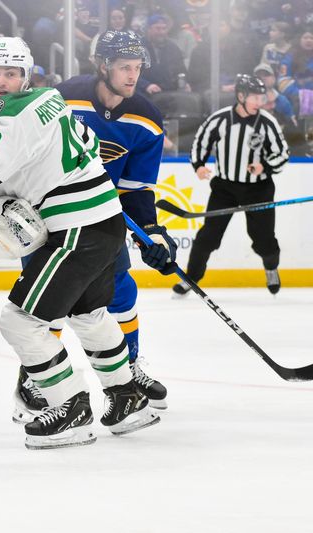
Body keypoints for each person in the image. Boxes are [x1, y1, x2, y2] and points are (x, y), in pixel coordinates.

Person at [0, 36, 163, 449]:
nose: (1, 82)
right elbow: (84, 147)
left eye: (11, 73)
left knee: (19, 322)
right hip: (105, 222)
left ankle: (69, 407)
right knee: (89, 314)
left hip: (75, 230)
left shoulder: (8, 117)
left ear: (26, 75)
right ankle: (127, 399)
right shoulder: (49, 99)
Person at [48, 30, 174, 411]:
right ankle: (38, 380)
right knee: (48, 297)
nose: (132, 76)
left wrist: (150, 233)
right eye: (124, 67)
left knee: (121, 288)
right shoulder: (61, 99)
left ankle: (129, 365)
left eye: (136, 68)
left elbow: (136, 189)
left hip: (103, 214)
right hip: (51, 211)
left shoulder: (147, 119)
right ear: (102, 65)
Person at [174, 74, 290, 297]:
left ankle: (271, 268)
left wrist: (264, 166)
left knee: (264, 239)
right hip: (224, 189)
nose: (260, 101)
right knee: (208, 236)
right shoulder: (220, 119)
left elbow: (282, 154)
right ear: (241, 96)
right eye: (255, 97)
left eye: (261, 96)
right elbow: (201, 141)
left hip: (259, 189)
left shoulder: (267, 122)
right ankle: (191, 279)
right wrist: (198, 165)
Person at [141, 14, 187, 93]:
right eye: (158, 28)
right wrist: (146, 85)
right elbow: (129, 74)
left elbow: (181, 70)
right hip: (145, 92)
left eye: (164, 28)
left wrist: (184, 83)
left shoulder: (173, 48)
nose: (161, 32)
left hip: (170, 91)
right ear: (149, 29)